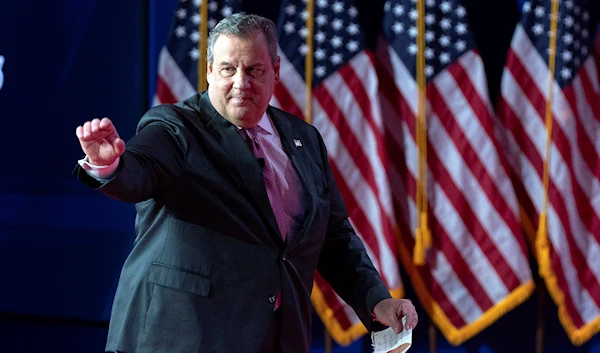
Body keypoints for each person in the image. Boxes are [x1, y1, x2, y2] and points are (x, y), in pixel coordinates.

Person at [74, 12, 418, 353]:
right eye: (227, 69)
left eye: (254, 70)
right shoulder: (175, 127)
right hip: (182, 337)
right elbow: (139, 172)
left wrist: (377, 301)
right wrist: (108, 166)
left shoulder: (304, 139)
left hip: (279, 338)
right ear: (210, 71)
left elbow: (334, 236)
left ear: (276, 71)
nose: (241, 83)